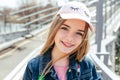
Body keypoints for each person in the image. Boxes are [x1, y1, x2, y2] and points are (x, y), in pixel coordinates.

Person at [23, 1, 103, 80]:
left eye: (78, 33)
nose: (70, 38)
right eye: (65, 28)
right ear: (55, 28)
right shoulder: (34, 67)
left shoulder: (86, 65)